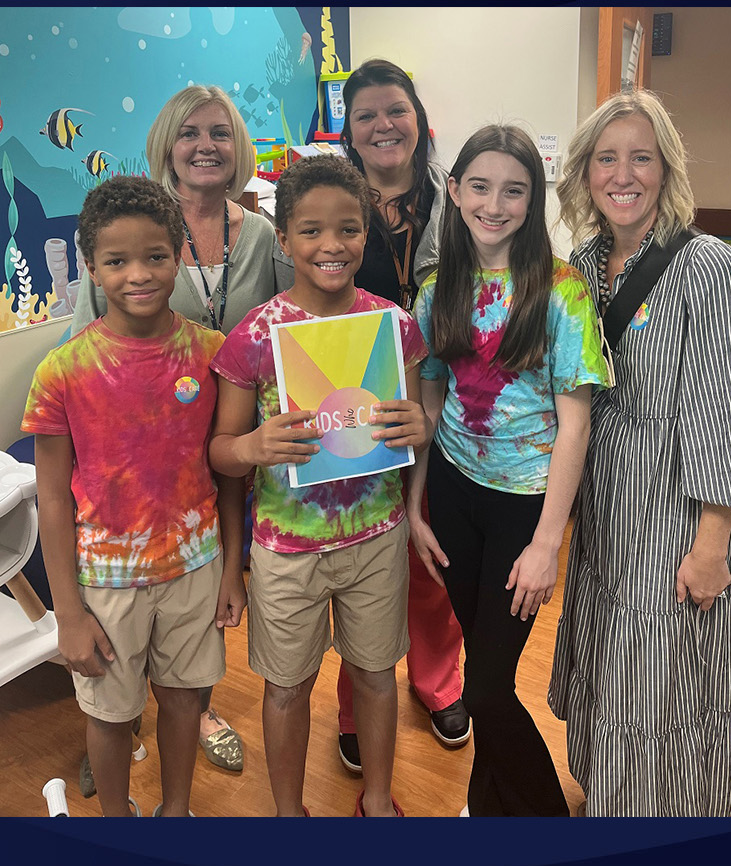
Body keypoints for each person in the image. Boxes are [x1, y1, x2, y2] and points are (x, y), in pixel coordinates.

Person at [547, 90, 731, 817]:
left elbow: (728, 413)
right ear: (584, 173)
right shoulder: (581, 264)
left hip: (677, 505)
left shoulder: (708, 269)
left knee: (664, 663)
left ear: (665, 169)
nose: (623, 174)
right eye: (606, 158)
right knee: (614, 648)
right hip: (607, 499)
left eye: (641, 157)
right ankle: (612, 794)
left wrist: (714, 545)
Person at [208, 155, 429, 816]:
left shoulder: (394, 326)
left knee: (376, 673)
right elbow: (220, 454)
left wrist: (416, 426)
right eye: (310, 231)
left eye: (348, 229)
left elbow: (408, 437)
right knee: (285, 687)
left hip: (376, 537)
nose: (331, 245)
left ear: (367, 234)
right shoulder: (253, 336)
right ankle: (287, 814)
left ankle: (380, 801)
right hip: (284, 549)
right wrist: (253, 445)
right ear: (283, 240)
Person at [70, 84, 279, 773]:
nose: (205, 146)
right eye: (189, 133)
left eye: (219, 132)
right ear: (168, 143)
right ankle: (118, 721)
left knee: (203, 599)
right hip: (135, 461)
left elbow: (286, 333)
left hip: (225, 450)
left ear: (237, 145)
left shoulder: (264, 237)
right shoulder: (134, 231)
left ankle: (199, 704)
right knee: (127, 618)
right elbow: (80, 347)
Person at [24, 176, 247, 816]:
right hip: (105, 583)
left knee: (184, 698)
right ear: (90, 266)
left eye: (155, 256)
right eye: (116, 261)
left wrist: (233, 569)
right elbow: (54, 498)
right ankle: (117, 821)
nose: (138, 275)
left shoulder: (213, 357)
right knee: (112, 713)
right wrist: (67, 612)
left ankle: (175, 812)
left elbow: (229, 476)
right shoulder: (62, 372)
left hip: (195, 569)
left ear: (180, 255)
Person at [406, 125, 609, 816]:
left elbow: (576, 423)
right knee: (483, 671)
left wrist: (548, 543)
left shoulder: (562, 291)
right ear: (455, 191)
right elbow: (429, 399)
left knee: (487, 688)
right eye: (481, 186)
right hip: (453, 494)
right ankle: (489, 807)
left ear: (534, 199)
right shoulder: (436, 289)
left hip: (526, 503)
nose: (495, 204)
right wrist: (413, 509)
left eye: (514, 190)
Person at [332, 58, 469, 770]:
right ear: (348, 133)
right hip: (355, 417)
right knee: (360, 562)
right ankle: (357, 698)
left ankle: (438, 681)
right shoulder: (331, 207)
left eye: (396, 110)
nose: (384, 125)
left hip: (449, 414)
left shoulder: (459, 201)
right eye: (366, 116)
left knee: (433, 556)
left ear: (419, 120)